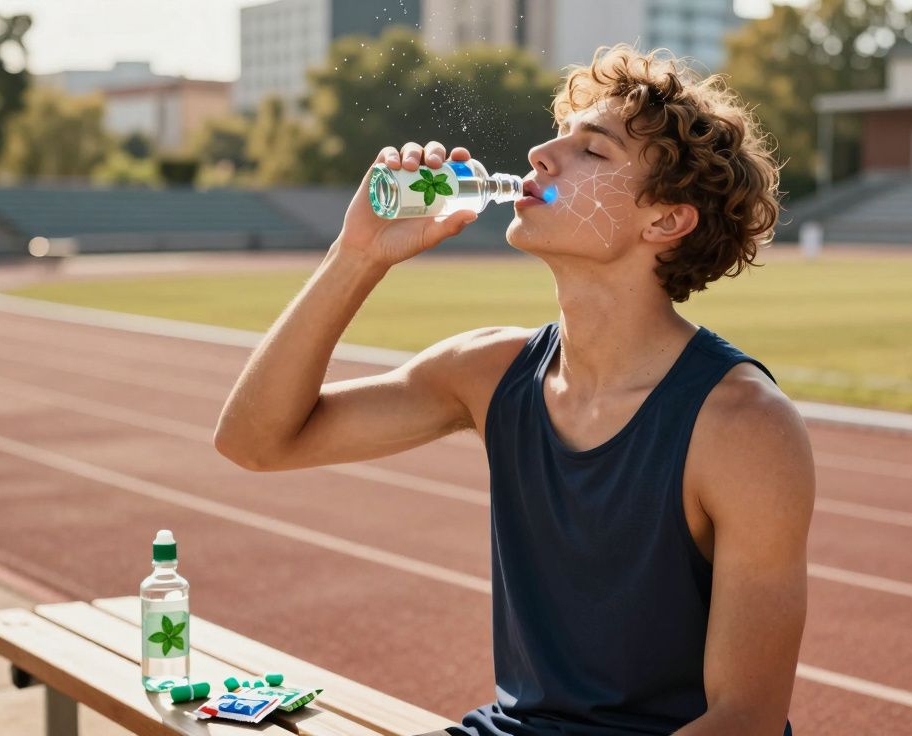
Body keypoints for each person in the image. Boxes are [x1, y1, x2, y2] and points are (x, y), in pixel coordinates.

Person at [215, 43, 814, 736]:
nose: (540, 154)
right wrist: (358, 254)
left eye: (593, 151)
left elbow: (748, 719)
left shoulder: (744, 425)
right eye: (558, 136)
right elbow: (254, 442)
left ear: (666, 220)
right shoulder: (489, 370)